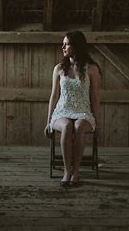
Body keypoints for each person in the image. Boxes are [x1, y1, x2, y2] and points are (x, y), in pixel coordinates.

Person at [44, 31, 101, 187]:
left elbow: (95, 97)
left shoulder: (92, 69)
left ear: (76, 46)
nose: (63, 46)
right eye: (63, 43)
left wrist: (97, 122)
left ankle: (76, 172)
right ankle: (66, 171)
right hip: (62, 111)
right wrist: (48, 121)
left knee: (79, 126)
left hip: (83, 111)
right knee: (68, 126)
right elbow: (54, 96)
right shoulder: (59, 68)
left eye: (66, 44)